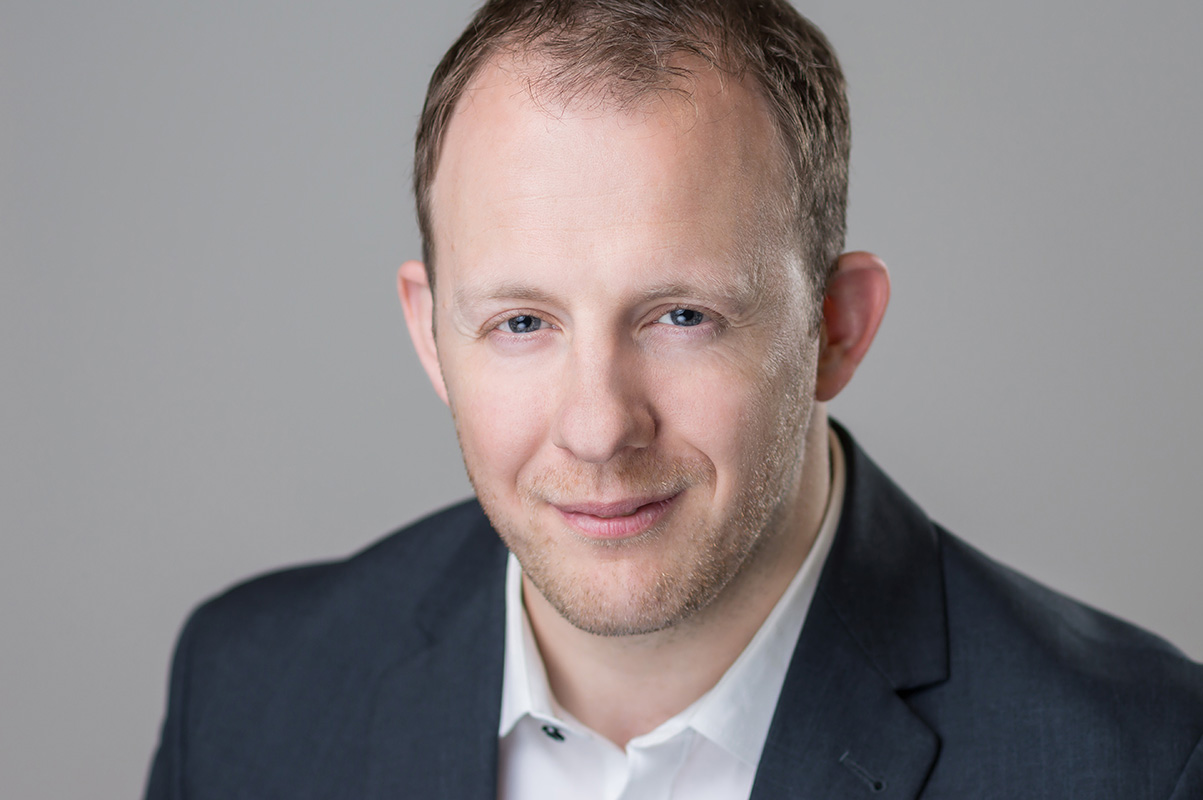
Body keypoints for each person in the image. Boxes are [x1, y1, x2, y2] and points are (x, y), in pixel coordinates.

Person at [144, 0, 1203, 797]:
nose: (599, 426)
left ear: (837, 328)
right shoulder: (244, 696)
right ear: (430, 335)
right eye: (522, 323)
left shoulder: (1143, 762)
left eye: (682, 315)